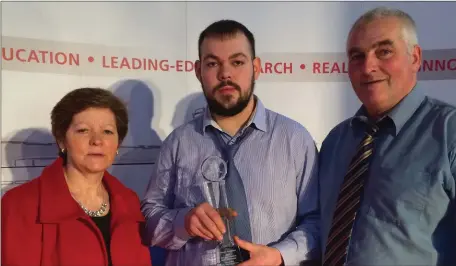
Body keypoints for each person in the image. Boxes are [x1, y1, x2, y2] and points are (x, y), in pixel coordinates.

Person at [141, 20, 320, 266]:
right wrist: (182, 223)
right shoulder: (178, 143)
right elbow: (148, 221)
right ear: (198, 71)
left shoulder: (295, 139)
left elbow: (318, 221)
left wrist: (280, 255)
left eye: (237, 62)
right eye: (213, 63)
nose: (225, 74)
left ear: (256, 67)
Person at [319, 6, 456, 266]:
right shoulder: (335, 141)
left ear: (415, 57)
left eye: (384, 51)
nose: (368, 66)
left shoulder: (450, 132)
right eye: (357, 56)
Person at [1, 88, 152, 266]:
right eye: (83, 130)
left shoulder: (129, 201)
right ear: (62, 140)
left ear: (118, 143)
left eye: (108, 132)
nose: (97, 140)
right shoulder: (21, 203)